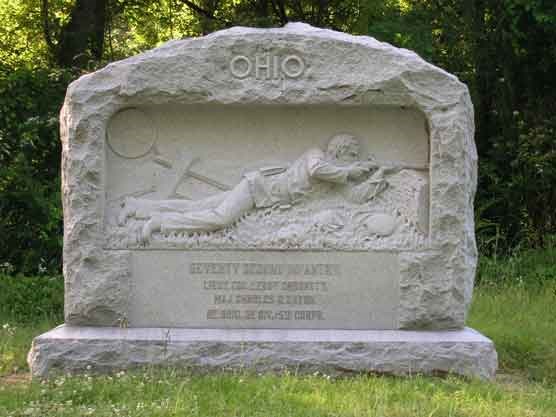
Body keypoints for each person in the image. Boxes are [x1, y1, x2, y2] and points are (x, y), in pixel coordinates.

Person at [118, 133, 389, 243]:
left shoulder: (337, 177)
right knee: (219, 218)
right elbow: (316, 170)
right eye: (352, 155)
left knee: (198, 206)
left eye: (355, 158)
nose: (353, 160)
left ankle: (136, 207)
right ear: (341, 152)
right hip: (256, 187)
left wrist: (380, 177)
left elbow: (355, 197)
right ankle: (157, 223)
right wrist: (351, 171)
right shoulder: (315, 155)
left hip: (261, 196)